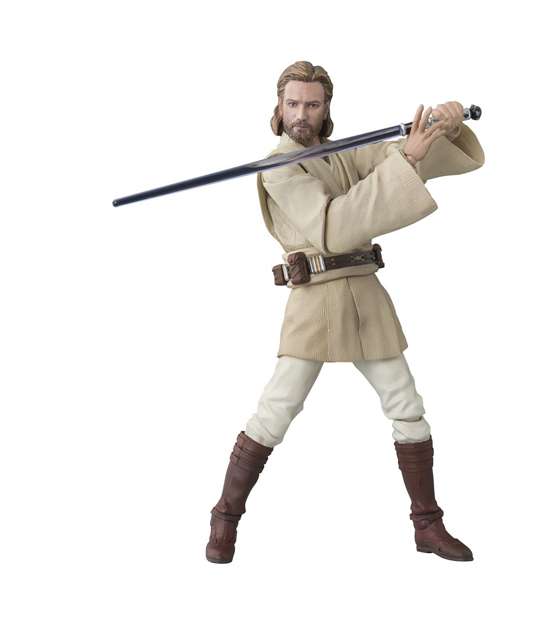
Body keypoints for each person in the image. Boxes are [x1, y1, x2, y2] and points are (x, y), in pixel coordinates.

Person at [206, 60, 485, 563]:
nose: (302, 114)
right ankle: (224, 518)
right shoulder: (279, 166)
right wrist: (406, 160)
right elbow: (334, 226)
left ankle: (427, 524)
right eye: (293, 103)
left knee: (406, 405)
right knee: (276, 411)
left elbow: (391, 159)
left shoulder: (338, 153)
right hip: (314, 301)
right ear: (278, 106)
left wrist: (442, 130)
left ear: (326, 108)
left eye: (312, 104)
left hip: (364, 292)